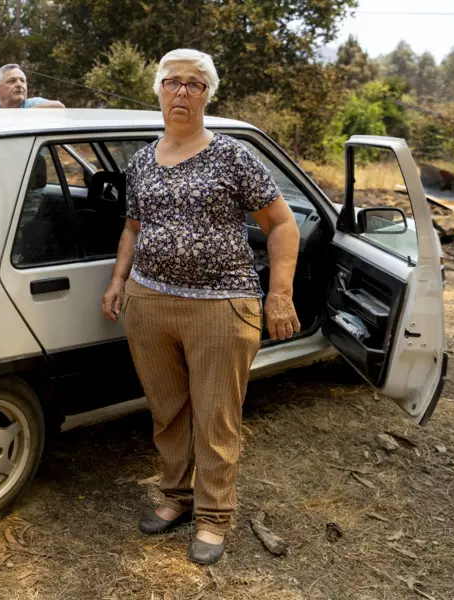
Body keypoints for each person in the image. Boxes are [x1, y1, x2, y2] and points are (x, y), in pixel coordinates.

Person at [100, 48, 301, 565]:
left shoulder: (233, 156)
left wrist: (279, 293)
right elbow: (132, 227)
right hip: (149, 303)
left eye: (195, 84)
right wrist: (119, 280)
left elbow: (282, 224)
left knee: (215, 416)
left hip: (220, 306)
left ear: (208, 95)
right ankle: (176, 497)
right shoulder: (143, 160)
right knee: (168, 411)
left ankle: (214, 516)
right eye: (173, 83)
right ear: (160, 91)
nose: (182, 93)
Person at [0, 64, 65, 109]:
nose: (19, 84)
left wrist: (24, 114)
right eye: (12, 81)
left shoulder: (32, 104)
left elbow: (59, 106)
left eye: (22, 80)